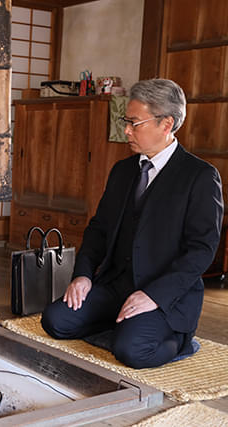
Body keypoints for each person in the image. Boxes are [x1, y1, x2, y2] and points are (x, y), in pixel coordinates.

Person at [41, 79, 223, 369]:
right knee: (56, 321)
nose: (126, 130)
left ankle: (181, 339)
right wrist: (83, 275)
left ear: (166, 124)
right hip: (117, 285)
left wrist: (154, 296)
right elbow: (98, 228)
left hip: (163, 295)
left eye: (134, 123)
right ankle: (122, 326)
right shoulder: (123, 170)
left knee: (133, 351)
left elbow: (201, 250)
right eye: (126, 121)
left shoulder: (199, 176)